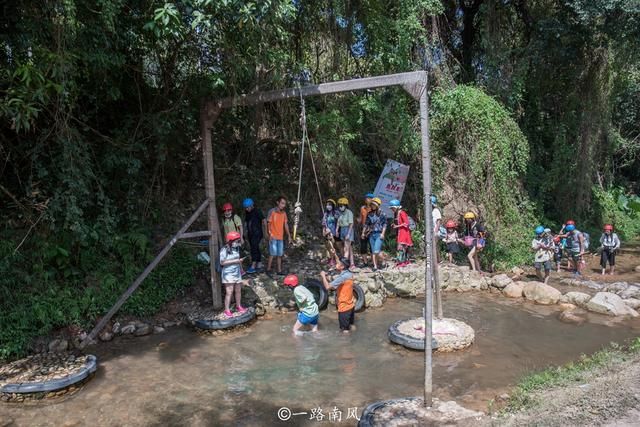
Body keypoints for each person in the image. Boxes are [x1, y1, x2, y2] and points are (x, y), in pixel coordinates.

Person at [320, 256, 356, 333]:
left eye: (337, 263)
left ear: (342, 266)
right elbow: (339, 284)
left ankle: (346, 344)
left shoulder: (342, 277)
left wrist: (323, 276)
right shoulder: (349, 274)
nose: (336, 264)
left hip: (344, 307)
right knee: (351, 325)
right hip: (351, 305)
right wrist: (328, 278)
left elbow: (327, 287)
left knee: (344, 331)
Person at [220, 231, 248, 318]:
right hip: (228, 274)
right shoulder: (224, 249)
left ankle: (239, 306)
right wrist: (235, 261)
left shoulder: (236, 248)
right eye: (236, 241)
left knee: (238, 290)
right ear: (231, 241)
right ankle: (227, 310)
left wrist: (242, 269)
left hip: (237, 272)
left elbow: (238, 260)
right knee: (229, 292)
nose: (238, 242)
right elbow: (222, 262)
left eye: (238, 240)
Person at [266, 196, 292, 276]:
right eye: (282, 203)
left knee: (280, 255)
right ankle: (268, 269)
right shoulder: (272, 211)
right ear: (278, 202)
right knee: (272, 254)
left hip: (280, 237)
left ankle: (279, 271)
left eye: (284, 204)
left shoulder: (284, 213)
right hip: (273, 236)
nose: (283, 205)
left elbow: (286, 225)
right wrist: (269, 234)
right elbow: (268, 224)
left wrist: (289, 236)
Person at [362, 197, 387, 271]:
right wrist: (363, 233)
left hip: (379, 234)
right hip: (371, 234)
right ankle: (375, 266)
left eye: (374, 205)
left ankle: (384, 261)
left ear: (378, 205)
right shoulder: (369, 214)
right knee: (373, 251)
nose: (372, 206)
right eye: (371, 204)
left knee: (377, 251)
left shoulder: (382, 214)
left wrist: (383, 233)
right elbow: (366, 224)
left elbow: (385, 224)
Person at [243, 198, 266, 274]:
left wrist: (266, 232)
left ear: (252, 205)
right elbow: (246, 222)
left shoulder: (257, 211)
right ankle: (259, 264)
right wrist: (245, 232)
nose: (246, 209)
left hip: (257, 233)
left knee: (254, 248)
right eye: (245, 208)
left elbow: (264, 220)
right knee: (255, 248)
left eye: (248, 207)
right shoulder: (247, 213)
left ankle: (253, 266)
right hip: (250, 234)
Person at [389, 199, 413, 267]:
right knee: (401, 247)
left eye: (393, 208)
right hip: (399, 232)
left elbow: (406, 223)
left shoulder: (402, 213)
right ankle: (401, 261)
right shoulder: (396, 213)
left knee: (401, 247)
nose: (392, 209)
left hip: (404, 232)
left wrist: (397, 226)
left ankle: (402, 261)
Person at [336, 197, 356, 269]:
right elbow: (338, 222)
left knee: (346, 248)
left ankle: (344, 265)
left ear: (345, 205)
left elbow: (351, 224)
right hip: (342, 230)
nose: (340, 207)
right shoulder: (341, 213)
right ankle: (352, 263)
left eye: (341, 205)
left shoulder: (349, 212)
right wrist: (337, 230)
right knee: (349, 248)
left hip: (348, 229)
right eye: (339, 205)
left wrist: (348, 234)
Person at [357, 193, 374, 267]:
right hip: (363, 229)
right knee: (363, 246)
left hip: (372, 229)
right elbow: (360, 218)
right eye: (366, 198)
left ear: (372, 199)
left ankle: (374, 262)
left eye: (368, 198)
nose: (366, 199)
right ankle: (365, 262)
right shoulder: (362, 208)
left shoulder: (374, 208)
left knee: (372, 246)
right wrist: (357, 220)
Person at [321, 198, 340, 265]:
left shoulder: (336, 213)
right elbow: (323, 223)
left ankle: (333, 259)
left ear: (333, 206)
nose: (328, 206)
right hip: (327, 232)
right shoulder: (325, 214)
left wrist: (336, 231)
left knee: (332, 246)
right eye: (327, 205)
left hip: (333, 232)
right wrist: (324, 230)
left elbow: (338, 222)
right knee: (328, 246)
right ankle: (330, 259)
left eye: (330, 205)